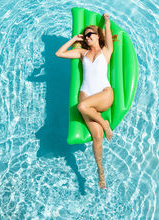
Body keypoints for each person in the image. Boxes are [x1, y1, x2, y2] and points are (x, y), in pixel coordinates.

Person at [55, 13, 115, 189]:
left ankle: (103, 123)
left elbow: (108, 32)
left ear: (98, 35)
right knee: (97, 137)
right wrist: (74, 38)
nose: (87, 37)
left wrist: (106, 21)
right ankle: (100, 172)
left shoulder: (106, 51)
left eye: (90, 34)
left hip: (104, 95)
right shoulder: (82, 53)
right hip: (87, 96)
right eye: (85, 35)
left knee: (82, 107)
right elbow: (59, 53)